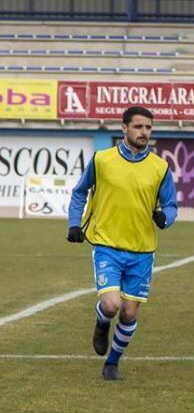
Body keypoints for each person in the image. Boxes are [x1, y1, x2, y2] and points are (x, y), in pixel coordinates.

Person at [67, 106, 178, 381]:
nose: (144, 132)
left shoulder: (160, 167)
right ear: (124, 128)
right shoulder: (102, 160)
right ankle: (102, 322)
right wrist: (73, 223)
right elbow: (79, 192)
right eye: (139, 127)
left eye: (149, 128)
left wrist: (166, 217)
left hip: (142, 250)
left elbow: (172, 204)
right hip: (107, 245)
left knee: (129, 312)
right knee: (111, 305)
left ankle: (112, 363)